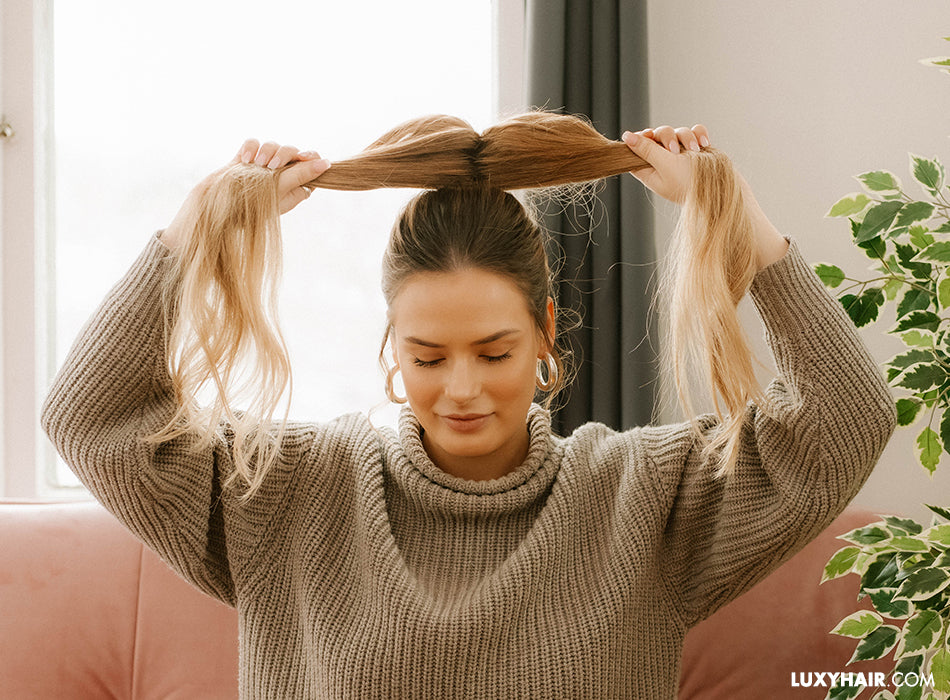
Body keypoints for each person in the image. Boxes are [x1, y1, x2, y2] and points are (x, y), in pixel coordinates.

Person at [41, 114, 896, 699]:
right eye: (426, 356)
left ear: (545, 333)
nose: (461, 388)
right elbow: (91, 415)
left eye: (494, 353)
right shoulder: (289, 492)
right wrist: (196, 233)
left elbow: (846, 418)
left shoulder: (644, 498)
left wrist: (734, 215)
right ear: (390, 345)